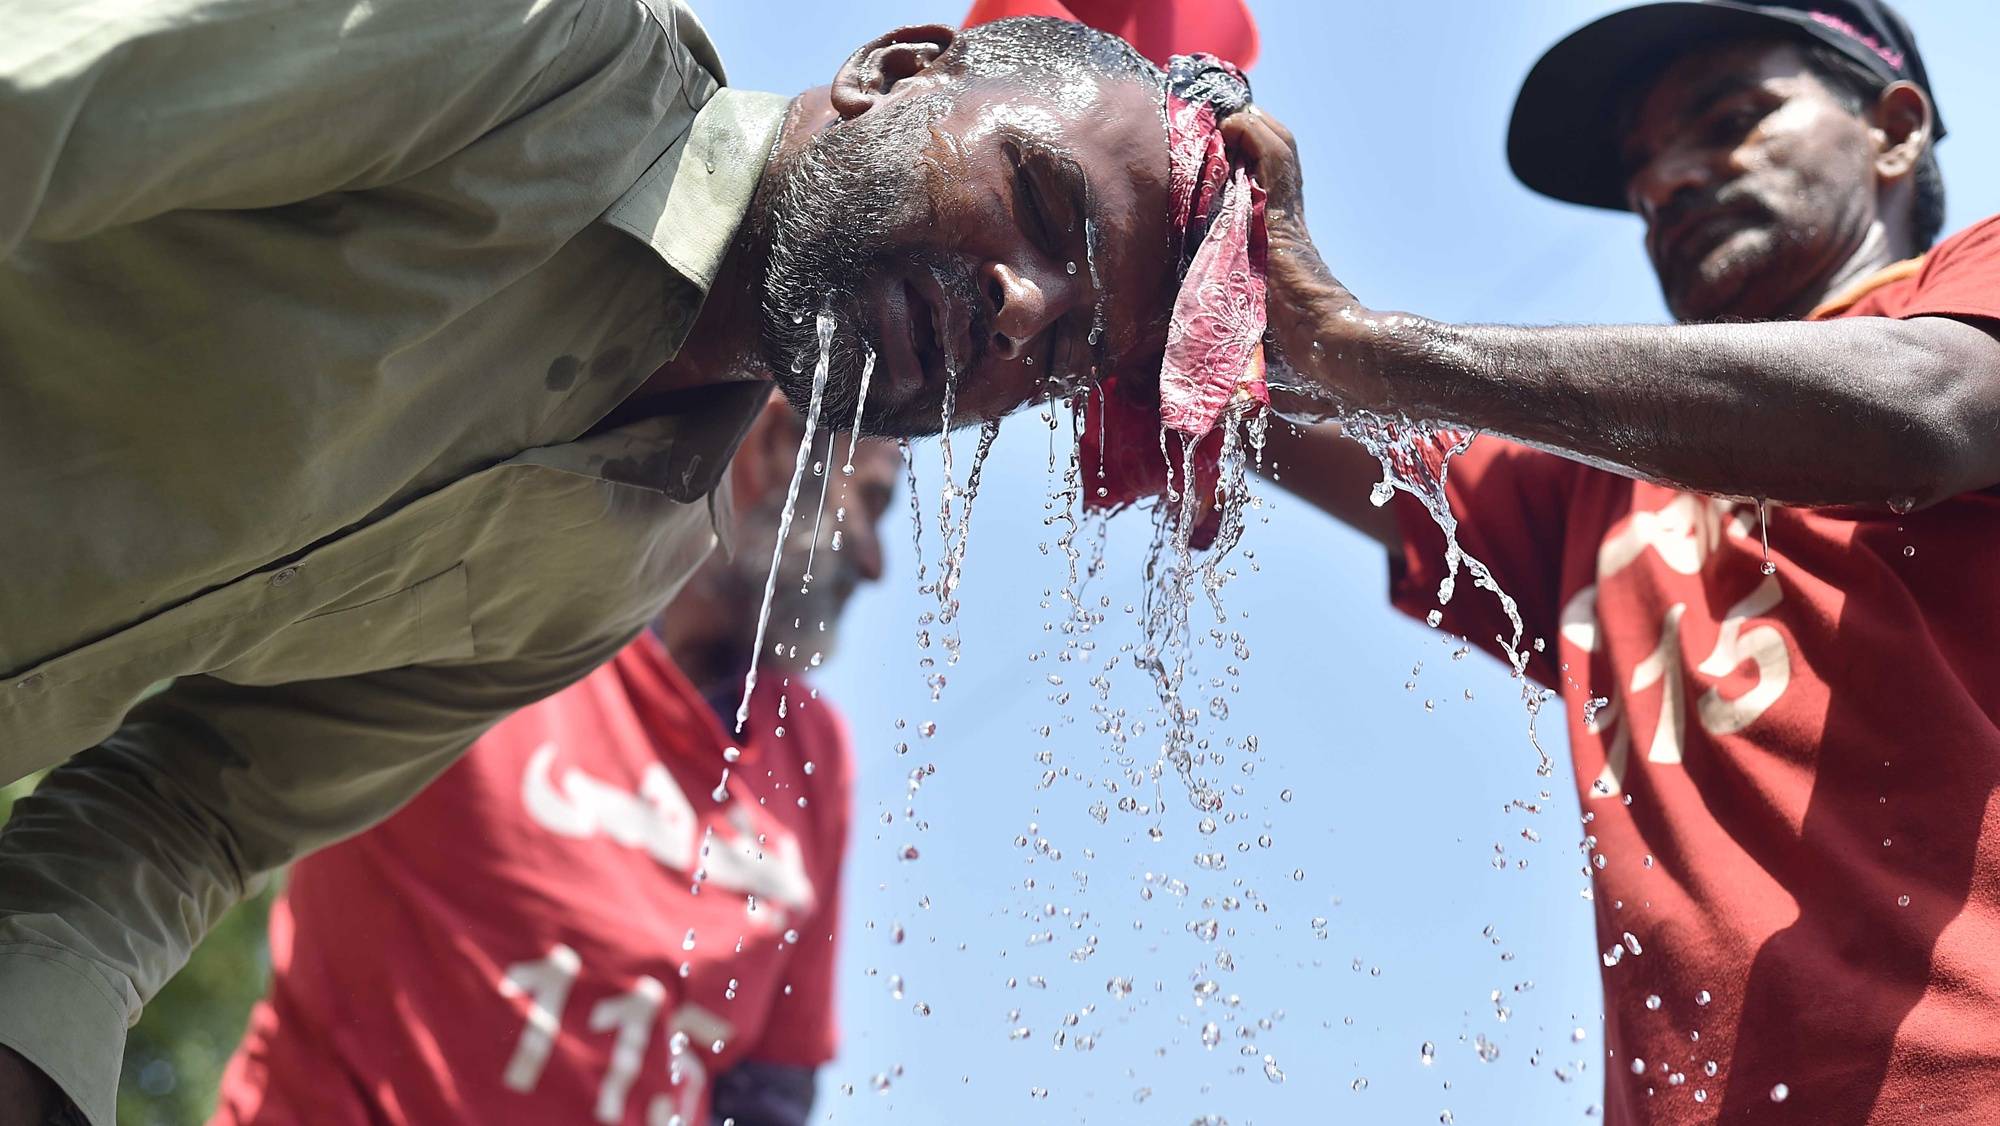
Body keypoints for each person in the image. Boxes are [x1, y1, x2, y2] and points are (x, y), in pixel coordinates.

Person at [0, 6, 1201, 1120]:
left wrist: (37, 1046)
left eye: (1067, 355)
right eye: (1042, 205)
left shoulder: (613, 563)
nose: (1020, 311)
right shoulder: (538, 59)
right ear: (887, 73)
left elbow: (190, 809)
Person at [1235, 1, 2000, 1122]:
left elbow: (1930, 410)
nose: (1666, 183)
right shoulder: (1590, 483)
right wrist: (1106, 258)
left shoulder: (1967, 293)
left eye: (1730, 120)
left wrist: (1377, 350)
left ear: (1892, 130)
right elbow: (1257, 407)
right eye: (1639, 167)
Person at [206, 401, 899, 1126]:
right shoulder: (519, 605)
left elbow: (770, 1091)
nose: (876, 565)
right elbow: (218, 770)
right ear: (778, 448)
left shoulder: (812, 754)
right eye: (872, 502)